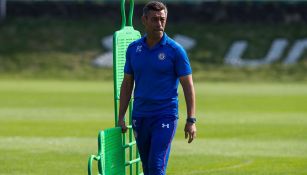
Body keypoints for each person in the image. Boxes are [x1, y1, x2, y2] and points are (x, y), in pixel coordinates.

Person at [117, 1, 196, 175]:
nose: (159, 24)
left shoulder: (175, 51)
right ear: (144, 20)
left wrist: (191, 120)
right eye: (154, 19)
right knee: (147, 168)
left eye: (162, 19)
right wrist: (121, 115)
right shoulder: (133, 49)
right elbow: (127, 83)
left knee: (156, 165)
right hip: (140, 115)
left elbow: (188, 86)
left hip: (165, 115)